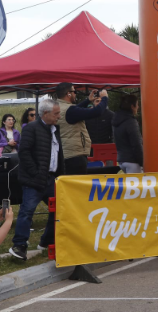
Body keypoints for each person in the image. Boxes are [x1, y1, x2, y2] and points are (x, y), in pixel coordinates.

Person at [9, 100, 64, 260]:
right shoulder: (31, 129)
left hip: (51, 178)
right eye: (56, 114)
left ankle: (47, 240)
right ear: (45, 114)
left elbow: (57, 154)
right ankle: (19, 246)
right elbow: (24, 152)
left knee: (60, 209)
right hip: (34, 180)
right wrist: (36, 172)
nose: (59, 116)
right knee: (27, 211)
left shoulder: (55, 129)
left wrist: (60, 175)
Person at [55, 83, 109, 175]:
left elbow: (75, 110)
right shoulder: (70, 110)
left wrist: (88, 100)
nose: (75, 94)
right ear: (68, 93)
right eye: (74, 92)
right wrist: (104, 98)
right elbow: (96, 112)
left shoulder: (59, 107)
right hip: (75, 155)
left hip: (66, 153)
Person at [112, 94, 144, 173]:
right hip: (133, 162)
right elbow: (137, 144)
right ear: (132, 106)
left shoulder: (116, 120)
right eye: (137, 105)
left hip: (121, 160)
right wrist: (143, 162)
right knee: (136, 185)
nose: (138, 107)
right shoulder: (131, 122)